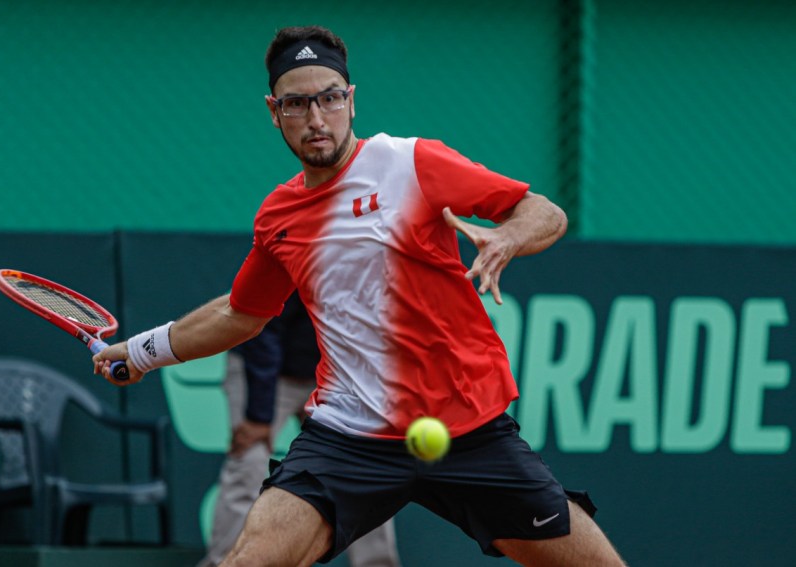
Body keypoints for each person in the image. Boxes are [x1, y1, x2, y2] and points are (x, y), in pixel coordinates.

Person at [95, 25, 626, 567]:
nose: (317, 118)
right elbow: (240, 313)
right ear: (274, 111)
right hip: (348, 438)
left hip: (467, 427)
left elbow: (545, 211)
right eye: (298, 103)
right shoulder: (278, 216)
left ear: (351, 99)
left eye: (329, 97)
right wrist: (140, 353)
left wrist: (507, 238)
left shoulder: (412, 163)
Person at [200, 293, 401, 567]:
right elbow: (264, 327)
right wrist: (258, 416)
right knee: (250, 460)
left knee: (364, 467)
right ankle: (223, 562)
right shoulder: (303, 253)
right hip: (264, 367)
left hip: (331, 375)